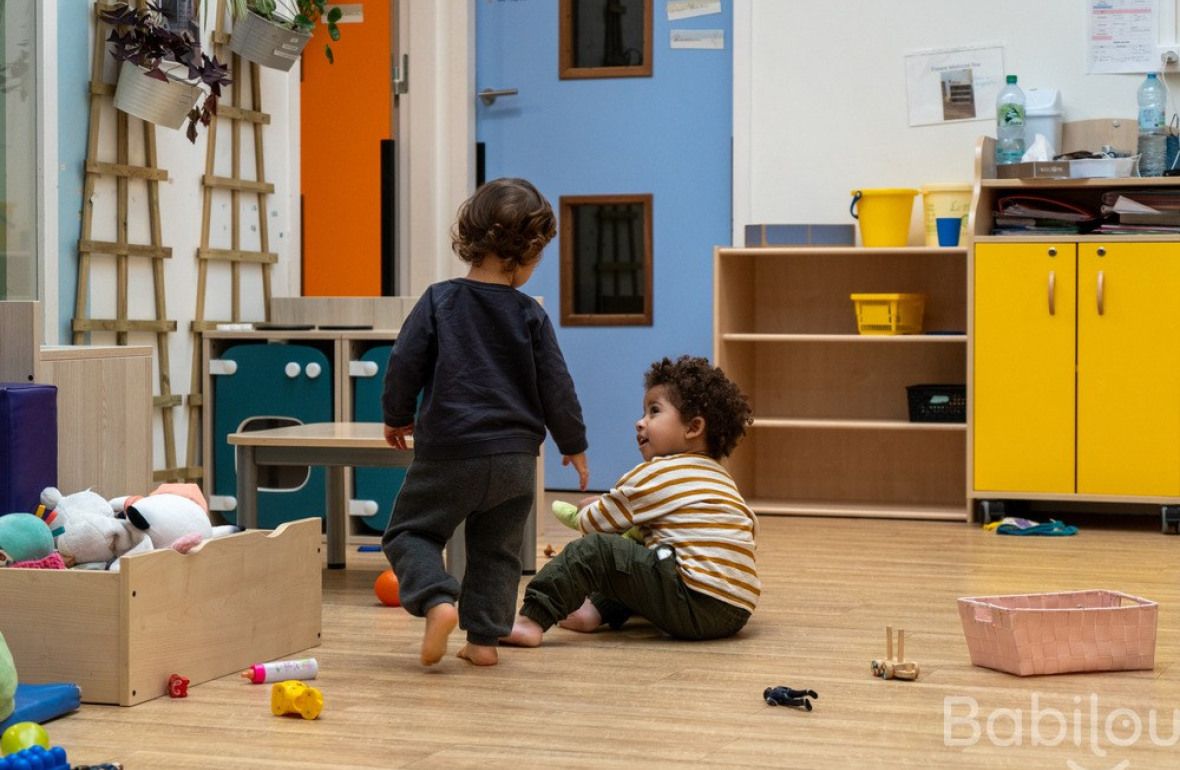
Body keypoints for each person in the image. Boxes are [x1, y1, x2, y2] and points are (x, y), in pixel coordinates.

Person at [381, 177, 589, 668]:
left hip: (451, 451)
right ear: (528, 255)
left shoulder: (440, 300)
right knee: (498, 551)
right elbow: (556, 383)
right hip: (516, 458)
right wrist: (573, 443)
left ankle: (436, 601)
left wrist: (396, 416)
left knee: (410, 532)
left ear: (470, 240)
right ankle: (483, 643)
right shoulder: (528, 315)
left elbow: (404, 362)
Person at [503, 355, 758, 648]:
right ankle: (595, 611)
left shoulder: (658, 473)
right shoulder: (722, 479)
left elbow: (600, 523)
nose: (640, 422)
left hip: (694, 603)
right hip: (736, 611)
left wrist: (588, 512)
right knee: (643, 553)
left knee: (598, 550)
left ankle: (531, 620)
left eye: (654, 411)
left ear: (693, 427)